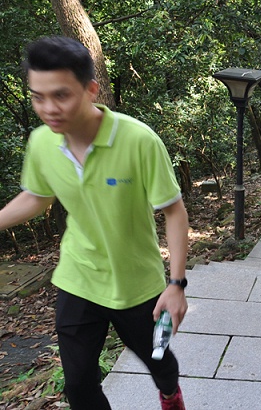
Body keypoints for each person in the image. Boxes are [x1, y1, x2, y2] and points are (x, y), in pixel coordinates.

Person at [0, 36, 188, 410]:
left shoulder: (138, 140)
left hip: (136, 283)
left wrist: (176, 284)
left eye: (61, 95)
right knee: (79, 385)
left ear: (91, 90)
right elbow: (37, 197)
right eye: (38, 97)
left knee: (159, 361)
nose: (48, 108)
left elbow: (174, 211)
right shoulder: (41, 142)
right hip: (78, 277)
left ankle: (170, 393)